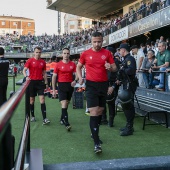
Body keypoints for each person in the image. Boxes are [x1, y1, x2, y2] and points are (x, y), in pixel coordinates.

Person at [76, 32, 117, 154]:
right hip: (91, 85)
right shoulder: (86, 54)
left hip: (103, 85)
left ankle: (94, 132)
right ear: (91, 41)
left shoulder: (107, 53)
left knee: (99, 111)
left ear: (102, 41)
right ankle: (96, 142)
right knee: (93, 111)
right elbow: (78, 67)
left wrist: (110, 67)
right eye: (94, 41)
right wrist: (79, 77)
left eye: (99, 41)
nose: (97, 44)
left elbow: (115, 68)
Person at [23, 46, 50, 125]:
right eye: (36, 52)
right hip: (31, 82)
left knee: (42, 100)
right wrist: (26, 76)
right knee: (32, 100)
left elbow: (44, 73)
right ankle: (33, 116)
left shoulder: (43, 62)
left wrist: (46, 83)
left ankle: (44, 118)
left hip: (40, 83)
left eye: (39, 52)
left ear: (41, 53)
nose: (38, 54)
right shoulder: (30, 61)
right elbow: (24, 70)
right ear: (34, 53)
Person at [52, 48, 77, 131]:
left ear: (69, 54)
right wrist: (54, 89)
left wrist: (75, 80)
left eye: (67, 53)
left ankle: (62, 118)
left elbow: (77, 74)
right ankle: (67, 123)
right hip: (61, 85)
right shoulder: (58, 65)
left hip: (70, 86)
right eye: (64, 53)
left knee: (66, 104)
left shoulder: (73, 64)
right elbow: (54, 77)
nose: (66, 55)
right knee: (64, 103)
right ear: (62, 54)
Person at [117, 43, 138, 136]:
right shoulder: (126, 59)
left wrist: (122, 70)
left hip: (130, 84)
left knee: (128, 104)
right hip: (126, 83)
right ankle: (128, 125)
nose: (119, 52)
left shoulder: (130, 59)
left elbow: (131, 70)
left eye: (120, 50)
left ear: (123, 50)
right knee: (126, 105)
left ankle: (130, 128)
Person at [101, 46, 121, 127]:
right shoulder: (104, 61)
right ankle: (103, 119)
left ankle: (111, 121)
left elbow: (118, 76)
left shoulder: (116, 62)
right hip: (104, 84)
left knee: (111, 103)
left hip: (112, 85)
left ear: (111, 53)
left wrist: (112, 86)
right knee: (103, 101)